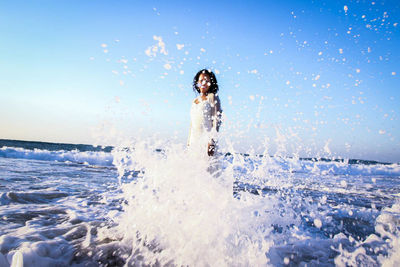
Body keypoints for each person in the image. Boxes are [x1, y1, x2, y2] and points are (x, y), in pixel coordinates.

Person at [187, 69, 222, 156]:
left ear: (211, 83)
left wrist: (212, 142)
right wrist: (188, 142)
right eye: (201, 80)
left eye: (206, 81)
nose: (203, 83)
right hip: (194, 141)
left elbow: (217, 120)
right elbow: (192, 124)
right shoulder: (194, 101)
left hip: (206, 141)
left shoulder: (213, 97)